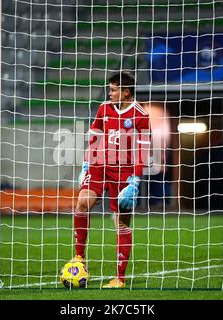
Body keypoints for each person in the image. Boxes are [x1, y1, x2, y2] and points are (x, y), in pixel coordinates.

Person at [69, 71, 152, 288]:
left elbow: (143, 151)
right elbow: (95, 135)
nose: (109, 92)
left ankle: (119, 278)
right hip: (99, 166)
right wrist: (87, 162)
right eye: (110, 89)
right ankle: (79, 257)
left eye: (113, 89)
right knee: (82, 202)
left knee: (121, 222)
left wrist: (135, 179)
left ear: (125, 92)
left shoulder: (140, 114)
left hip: (124, 172)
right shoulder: (104, 108)